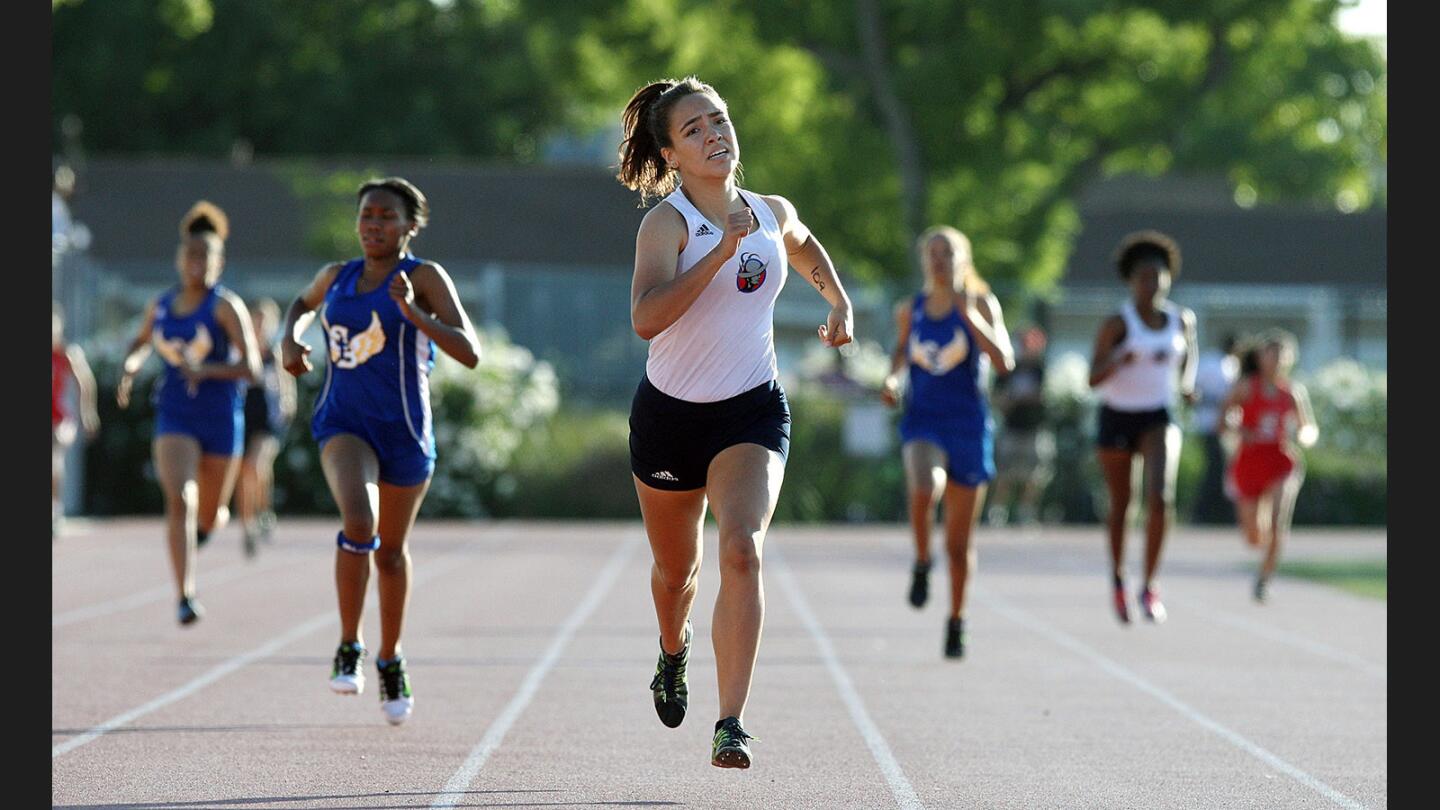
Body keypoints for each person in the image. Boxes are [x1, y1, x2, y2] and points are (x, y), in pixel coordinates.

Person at [617, 76, 854, 768]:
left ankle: (731, 722)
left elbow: (802, 245)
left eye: (718, 120)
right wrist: (720, 252)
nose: (714, 135)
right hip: (669, 418)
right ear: (670, 154)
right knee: (674, 573)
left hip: (751, 409)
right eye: (693, 130)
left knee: (743, 548)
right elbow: (644, 318)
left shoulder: (769, 211)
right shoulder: (666, 224)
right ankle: (671, 650)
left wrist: (836, 299)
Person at [279, 177, 481, 726]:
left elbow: (470, 352)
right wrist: (289, 336)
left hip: (406, 433)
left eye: (387, 217)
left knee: (390, 553)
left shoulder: (423, 277)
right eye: (367, 215)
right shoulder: (339, 276)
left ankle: (391, 656)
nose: (374, 225)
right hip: (343, 423)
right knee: (359, 521)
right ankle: (350, 643)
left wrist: (416, 315)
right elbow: (301, 302)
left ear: (410, 225)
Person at [117, 201, 261, 625]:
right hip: (175, 415)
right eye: (191, 254)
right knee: (180, 499)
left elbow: (251, 367)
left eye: (206, 256)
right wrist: (130, 367)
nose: (197, 263)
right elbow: (140, 343)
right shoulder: (160, 305)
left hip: (220, 419)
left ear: (218, 263)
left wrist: (207, 369)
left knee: (212, 513)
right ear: (180, 259)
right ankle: (185, 594)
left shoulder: (224, 306)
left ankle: (206, 529)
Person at [879, 226, 1015, 659]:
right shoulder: (911, 310)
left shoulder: (981, 303)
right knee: (924, 487)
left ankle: (957, 620)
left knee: (959, 546)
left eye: (948, 253)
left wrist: (970, 318)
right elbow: (901, 356)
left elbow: (1004, 361)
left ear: (963, 259)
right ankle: (921, 561)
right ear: (924, 261)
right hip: (925, 421)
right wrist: (892, 379)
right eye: (932, 253)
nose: (939, 260)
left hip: (970, 428)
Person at [1087, 230, 1197, 625]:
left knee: (1161, 497)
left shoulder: (1181, 320)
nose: (1152, 285)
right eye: (1145, 278)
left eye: (1159, 277)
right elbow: (1092, 379)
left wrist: (1186, 388)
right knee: (1121, 504)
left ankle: (1150, 583)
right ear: (1131, 281)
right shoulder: (1118, 324)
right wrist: (1119, 361)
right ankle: (1118, 578)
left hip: (1157, 415)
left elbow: (1188, 360)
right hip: (1118, 414)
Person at [1220, 330, 1318, 602]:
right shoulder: (1245, 387)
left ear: (1290, 359)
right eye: (1271, 353)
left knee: (1278, 524)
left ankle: (1264, 579)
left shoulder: (1292, 392)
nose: (1276, 359)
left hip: (1280, 461)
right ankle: (1265, 546)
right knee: (1253, 536)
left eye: (1281, 354)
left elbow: (1308, 427)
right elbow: (1224, 417)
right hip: (1250, 462)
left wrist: (1303, 436)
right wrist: (1237, 428)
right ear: (1260, 357)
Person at [235, 297, 296, 556]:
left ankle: (264, 511)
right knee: (243, 472)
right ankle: (247, 525)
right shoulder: (241, 349)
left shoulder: (276, 352)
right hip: (242, 417)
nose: (259, 327)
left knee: (256, 464)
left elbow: (287, 384)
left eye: (264, 322)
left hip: (269, 420)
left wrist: (287, 404)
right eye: (256, 321)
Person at [987, 325, 1054, 529]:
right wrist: (1012, 400)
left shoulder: (1040, 369)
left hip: (1034, 429)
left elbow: (1046, 396)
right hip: (1011, 428)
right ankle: (998, 512)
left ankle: (1026, 512)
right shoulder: (1007, 368)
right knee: (1005, 473)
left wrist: (1031, 398)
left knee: (1034, 475)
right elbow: (997, 398)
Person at [53, 303, 100, 537]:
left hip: (60, 418)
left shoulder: (67, 353)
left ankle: (55, 511)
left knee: (53, 457)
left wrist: (88, 414)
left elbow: (85, 383)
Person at [1190, 333, 1240, 524]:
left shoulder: (1232, 364)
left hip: (1226, 425)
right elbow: (1197, 390)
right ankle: (1202, 513)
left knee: (1223, 469)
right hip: (1208, 423)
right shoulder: (1211, 362)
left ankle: (1217, 513)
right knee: (1215, 467)